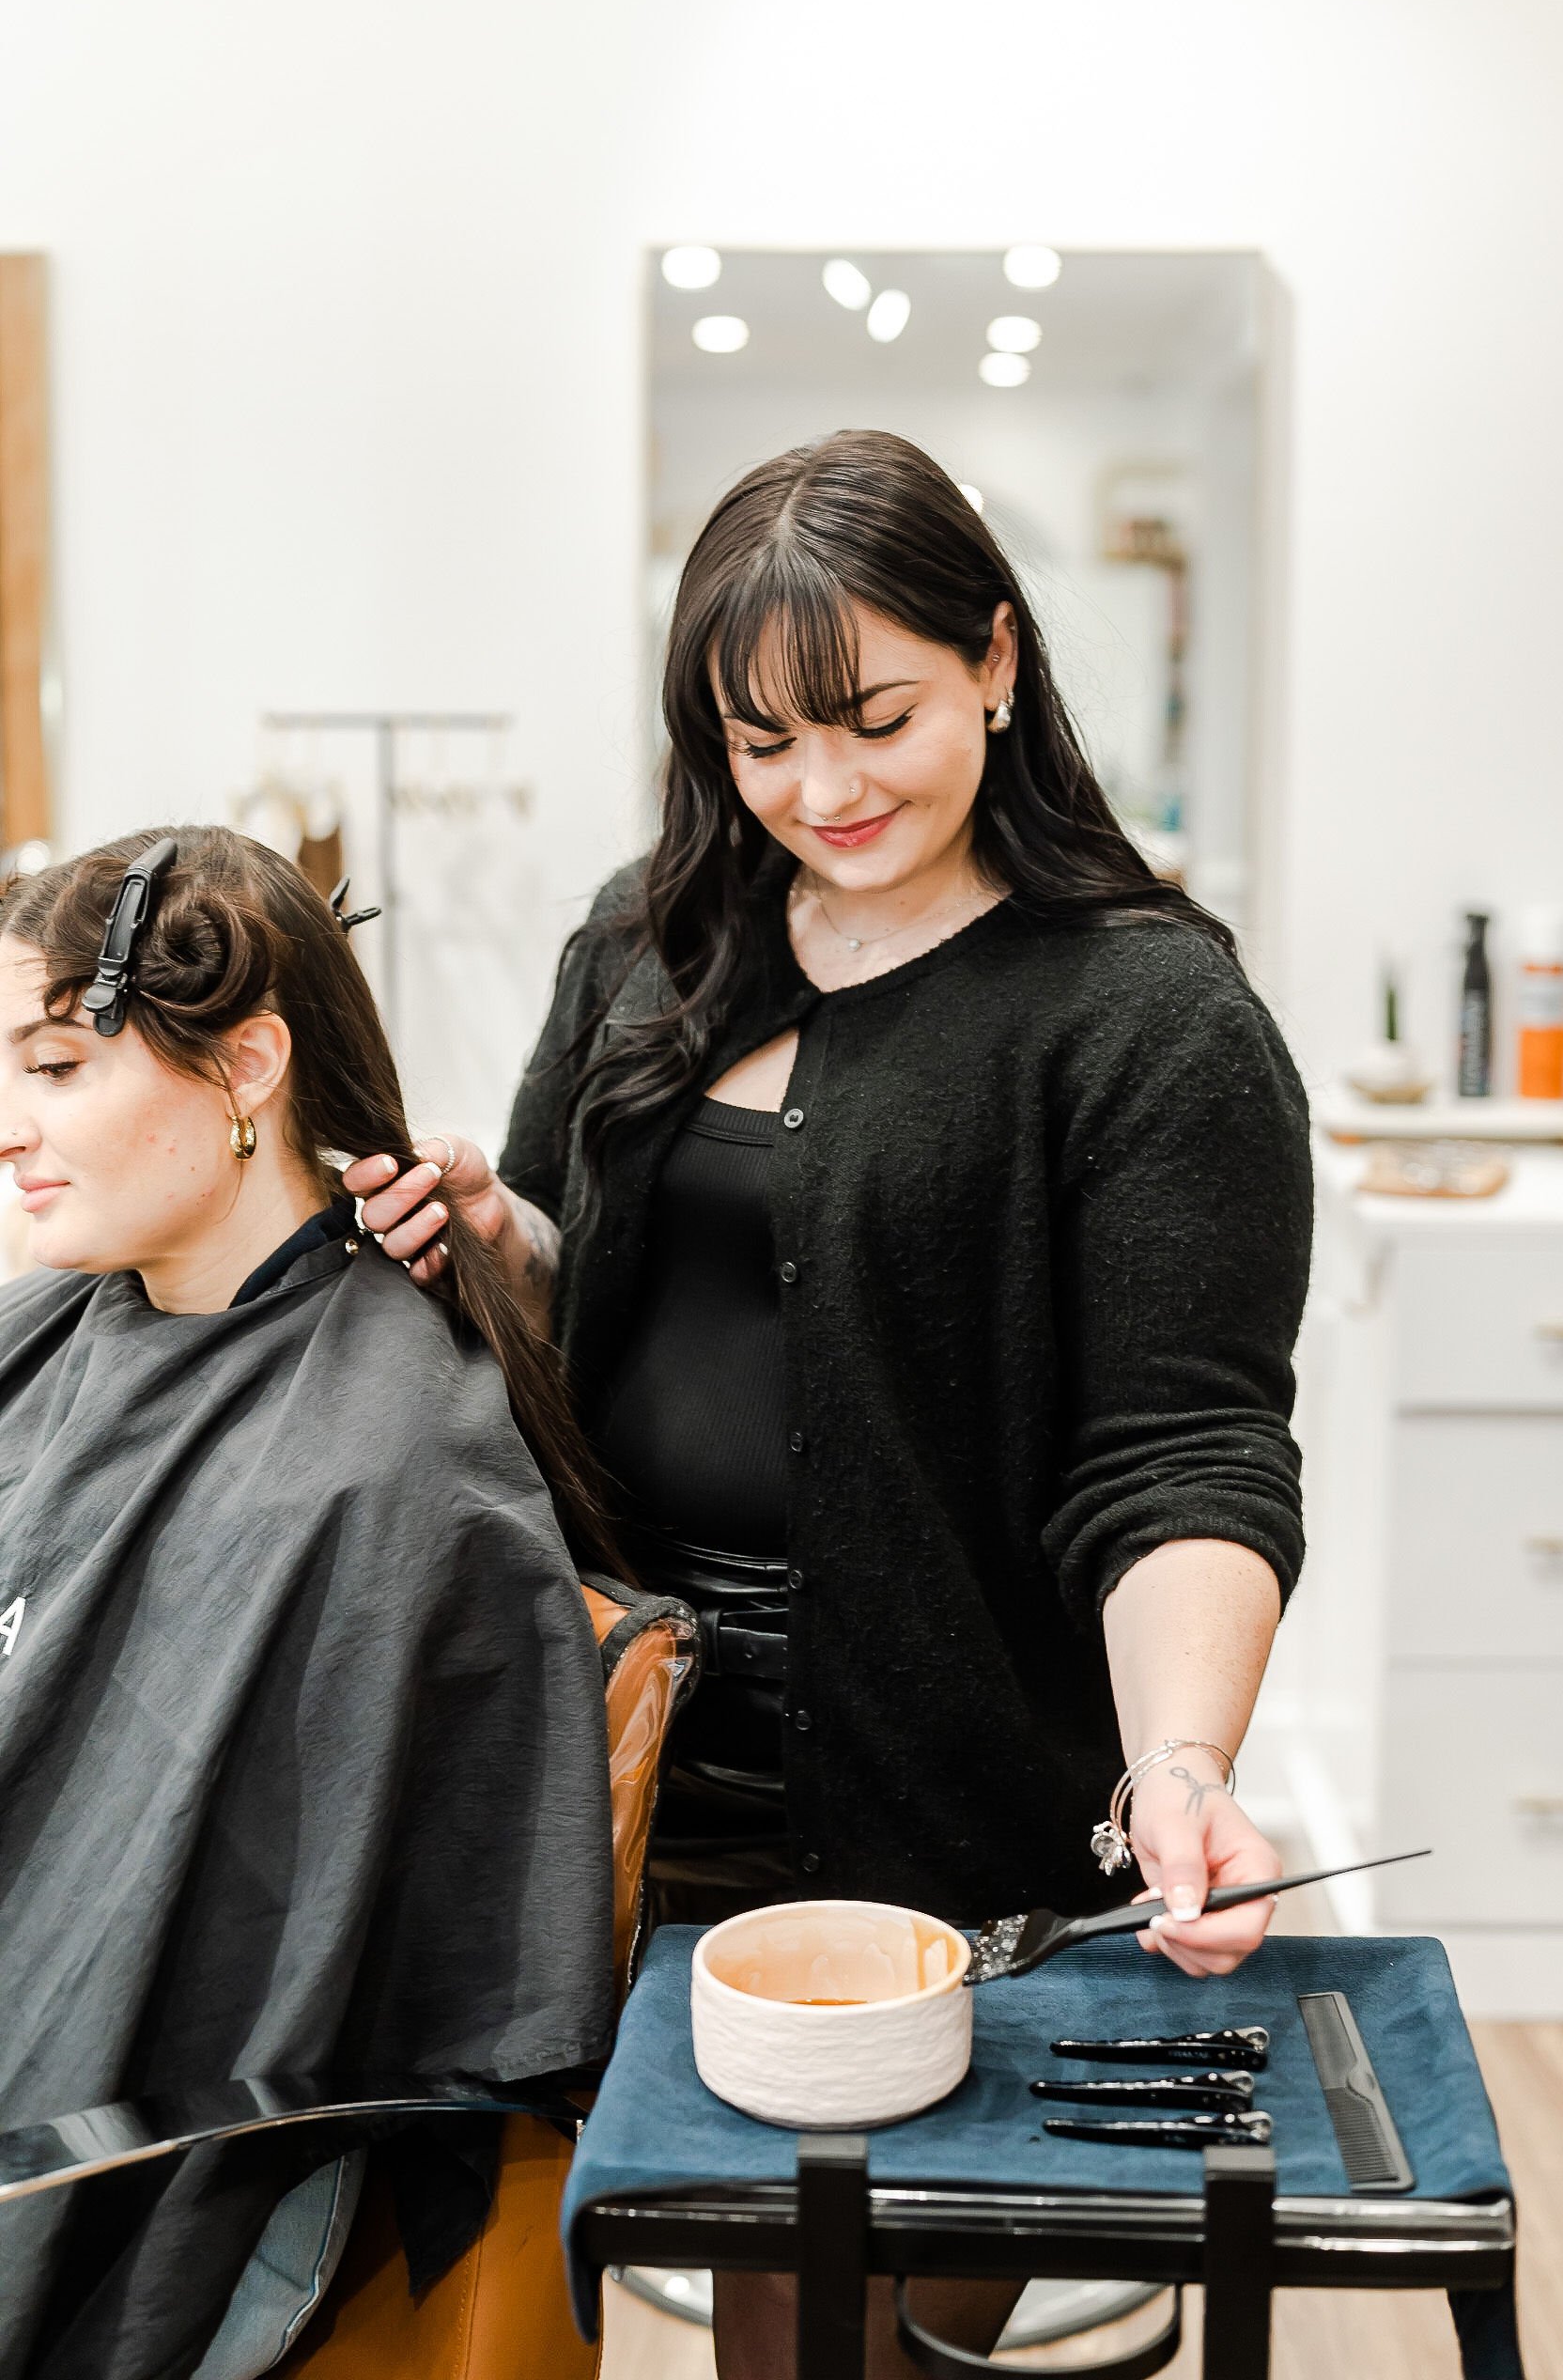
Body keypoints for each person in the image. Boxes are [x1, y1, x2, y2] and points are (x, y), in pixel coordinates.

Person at [349, 429, 1314, 2375]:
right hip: (603, 1752)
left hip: (919, 1787)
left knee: (819, 2333)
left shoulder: (1138, 1018)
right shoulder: (647, 935)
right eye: (756, 741)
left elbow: (1177, 1452)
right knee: (536, 2271)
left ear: (995, 660)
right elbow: (592, 1274)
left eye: (869, 716)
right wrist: (485, 1230)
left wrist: (1183, 1767)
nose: (820, 788)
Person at [0, 828, 615, 2380]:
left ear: (247, 1066)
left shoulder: (374, 1475)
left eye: (60, 1067)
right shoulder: (49, 1334)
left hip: (90, 2154)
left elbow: (198, 1950)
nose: (11, 1128)